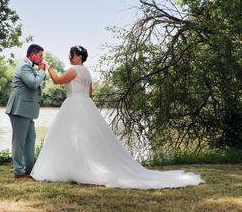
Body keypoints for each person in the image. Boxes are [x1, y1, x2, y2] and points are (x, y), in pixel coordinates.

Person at [30, 45, 204, 189]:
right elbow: (89, 95)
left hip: (74, 105)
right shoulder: (87, 73)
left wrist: (48, 67)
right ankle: (78, 166)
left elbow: (58, 81)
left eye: (71, 55)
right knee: (86, 140)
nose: (69, 58)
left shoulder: (74, 70)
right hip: (86, 106)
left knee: (70, 138)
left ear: (78, 57)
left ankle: (73, 168)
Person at [6, 44, 46, 178]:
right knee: (19, 142)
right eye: (40, 55)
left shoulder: (29, 66)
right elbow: (34, 83)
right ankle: (19, 171)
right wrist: (41, 71)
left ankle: (29, 170)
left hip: (26, 110)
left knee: (30, 139)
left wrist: (42, 71)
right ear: (33, 54)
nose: (41, 58)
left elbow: (39, 79)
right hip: (19, 109)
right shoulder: (24, 66)